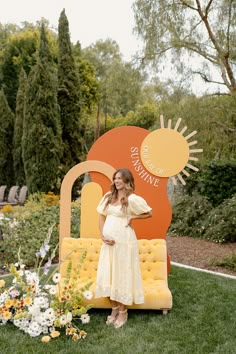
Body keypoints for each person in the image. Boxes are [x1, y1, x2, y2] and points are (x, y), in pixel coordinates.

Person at [95, 168, 152, 329]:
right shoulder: (108, 197)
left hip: (125, 242)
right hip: (108, 243)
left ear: (127, 181)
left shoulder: (132, 199)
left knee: (122, 274)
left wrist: (133, 216)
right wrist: (102, 235)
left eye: (120, 178)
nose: (117, 181)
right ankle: (114, 308)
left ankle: (123, 312)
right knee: (109, 273)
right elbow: (101, 216)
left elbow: (149, 213)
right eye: (115, 178)